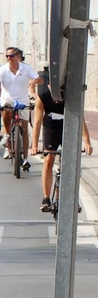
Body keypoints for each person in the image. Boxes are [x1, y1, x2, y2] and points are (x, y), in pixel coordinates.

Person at [33, 66, 96, 212]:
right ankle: (46, 198)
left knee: (72, 164)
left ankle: (72, 198)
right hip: (51, 127)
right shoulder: (43, 96)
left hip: (68, 126)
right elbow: (37, 122)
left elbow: (80, 118)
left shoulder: (70, 94)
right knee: (49, 159)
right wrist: (34, 145)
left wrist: (87, 142)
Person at [0, 46, 36, 162]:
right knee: (6, 110)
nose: (9, 58)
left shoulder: (26, 68)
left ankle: (26, 159)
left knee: (25, 130)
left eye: (11, 56)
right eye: (7, 56)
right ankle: (7, 135)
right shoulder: (2, 70)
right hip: (8, 99)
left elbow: (37, 78)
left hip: (23, 100)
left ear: (18, 57)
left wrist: (34, 83)